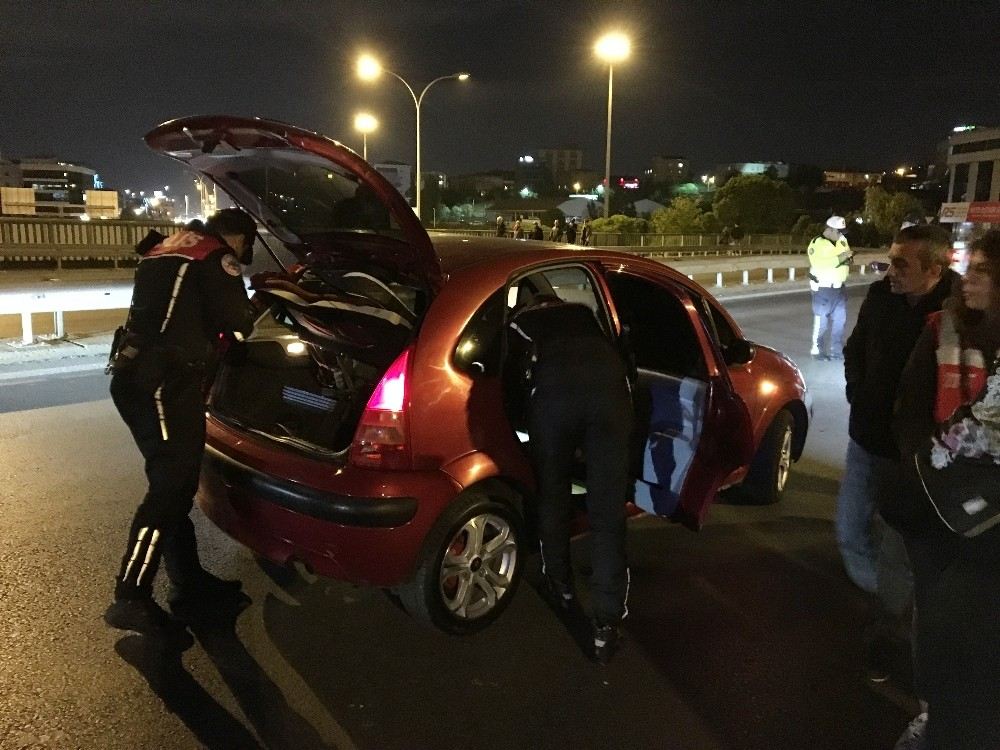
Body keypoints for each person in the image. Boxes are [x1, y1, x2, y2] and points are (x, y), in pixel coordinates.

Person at [104, 208, 258, 638]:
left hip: (135, 377)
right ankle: (131, 595)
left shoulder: (168, 247)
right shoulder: (216, 256)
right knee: (171, 487)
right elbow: (240, 321)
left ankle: (188, 583)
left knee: (173, 482)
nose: (242, 255)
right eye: (245, 247)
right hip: (165, 386)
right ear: (238, 239)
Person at [887, 230, 1000, 748]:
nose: (969, 278)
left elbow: (985, 426)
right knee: (937, 620)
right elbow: (909, 413)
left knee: (971, 641)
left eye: (982, 270)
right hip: (942, 509)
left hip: (986, 522)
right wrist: (924, 474)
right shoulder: (942, 328)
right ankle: (934, 716)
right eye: (968, 266)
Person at [836, 225, 958, 680]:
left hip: (911, 457)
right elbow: (854, 350)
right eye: (890, 260)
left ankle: (897, 618)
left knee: (896, 545)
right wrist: (858, 392)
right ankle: (897, 603)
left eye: (902, 264)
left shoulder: (955, 311)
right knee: (849, 531)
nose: (892, 272)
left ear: (934, 268)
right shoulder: (879, 296)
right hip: (865, 439)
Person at [506, 296, 634, 664]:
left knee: (553, 496)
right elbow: (625, 361)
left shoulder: (520, 323)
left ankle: (560, 585)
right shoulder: (585, 314)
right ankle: (606, 627)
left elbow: (512, 382)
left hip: (555, 400)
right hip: (609, 396)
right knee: (608, 515)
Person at [807, 215, 853, 360]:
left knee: (840, 321)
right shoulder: (817, 243)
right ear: (830, 229)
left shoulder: (842, 240)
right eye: (839, 232)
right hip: (824, 288)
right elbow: (820, 263)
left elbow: (848, 257)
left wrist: (848, 258)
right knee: (822, 322)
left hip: (839, 288)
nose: (841, 235)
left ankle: (836, 351)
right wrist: (842, 258)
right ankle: (817, 350)